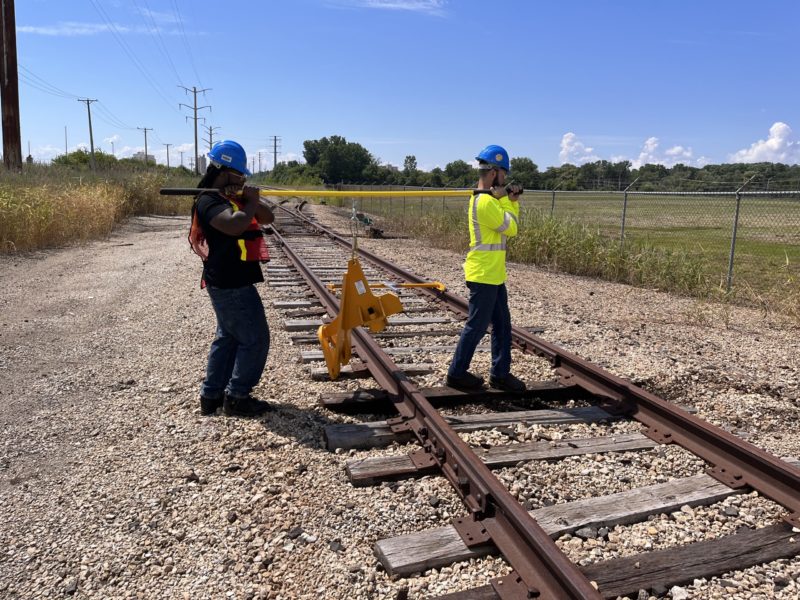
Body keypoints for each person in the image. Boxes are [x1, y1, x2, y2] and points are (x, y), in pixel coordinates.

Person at [189, 140, 275, 416]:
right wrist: (246, 202)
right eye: (240, 174)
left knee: (227, 337)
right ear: (225, 171)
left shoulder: (228, 197)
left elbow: (268, 217)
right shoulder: (209, 200)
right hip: (230, 283)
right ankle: (237, 397)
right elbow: (234, 225)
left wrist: (248, 198)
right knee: (256, 339)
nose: (243, 178)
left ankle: (211, 396)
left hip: (230, 280)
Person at [446, 144, 526, 392]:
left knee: (503, 326)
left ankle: (500, 374)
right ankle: (456, 374)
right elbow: (511, 228)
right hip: (483, 275)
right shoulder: (485, 203)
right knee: (477, 326)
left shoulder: (489, 200)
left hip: (493, 274)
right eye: (504, 174)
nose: (506, 179)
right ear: (494, 173)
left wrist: (504, 199)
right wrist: (510, 202)